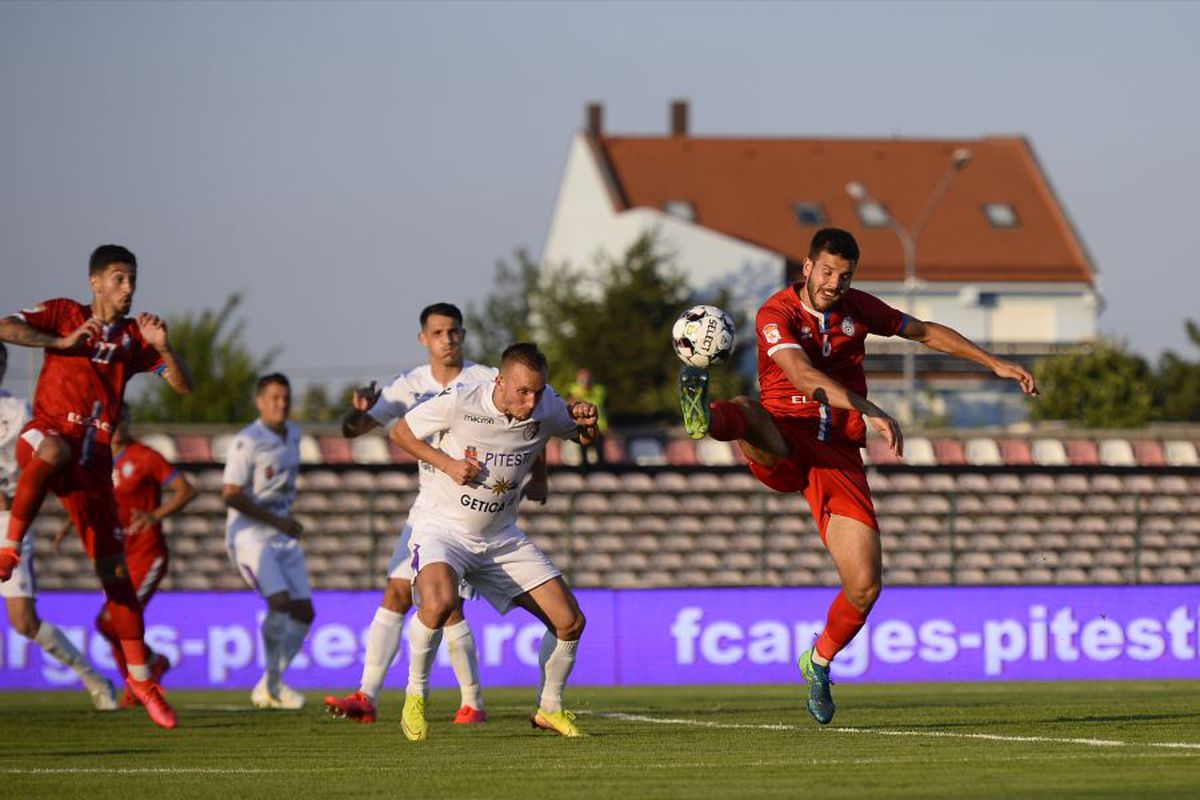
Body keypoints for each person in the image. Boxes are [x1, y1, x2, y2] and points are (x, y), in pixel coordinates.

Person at [679, 227, 1038, 725]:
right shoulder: (775, 314)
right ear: (807, 267)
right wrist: (869, 408)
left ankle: (819, 661)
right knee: (748, 411)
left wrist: (993, 363)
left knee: (865, 586)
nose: (834, 283)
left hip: (837, 455)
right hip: (787, 436)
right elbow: (802, 377)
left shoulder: (858, 309)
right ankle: (705, 417)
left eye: (844, 276)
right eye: (826, 271)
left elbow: (923, 331)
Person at [0, 244, 192, 729]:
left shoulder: (133, 338)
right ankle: (9, 547)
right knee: (52, 451)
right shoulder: (64, 313)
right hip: (43, 435)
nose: (129, 288)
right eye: (120, 278)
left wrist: (164, 348)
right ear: (96, 282)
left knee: (116, 575)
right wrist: (60, 342)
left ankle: (142, 680)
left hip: (92, 464)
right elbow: (5, 327)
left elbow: (183, 386)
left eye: (133, 280)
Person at [389, 342, 597, 740]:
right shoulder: (461, 401)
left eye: (538, 391)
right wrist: (448, 464)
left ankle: (549, 708)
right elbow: (401, 432)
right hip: (444, 531)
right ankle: (415, 695)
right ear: (500, 381)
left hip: (501, 538)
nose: (531, 402)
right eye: (523, 391)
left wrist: (590, 422)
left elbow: (583, 437)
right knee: (438, 603)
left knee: (570, 622)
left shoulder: (547, 406)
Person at [323, 302, 513, 725]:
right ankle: (367, 696)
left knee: (448, 606)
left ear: (463, 335)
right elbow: (353, 430)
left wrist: (538, 476)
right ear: (423, 339)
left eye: (454, 331)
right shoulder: (407, 386)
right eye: (439, 333)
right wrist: (360, 411)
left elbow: (526, 422)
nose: (448, 340)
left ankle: (472, 701)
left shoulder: (485, 380)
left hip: (467, 510)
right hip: (426, 508)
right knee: (396, 592)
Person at [0, 343, 118, 711]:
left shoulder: (17, 411)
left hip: (7, 521)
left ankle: (93, 678)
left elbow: (44, 459)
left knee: (23, 621)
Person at [55, 404, 197, 707]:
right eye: (113, 419)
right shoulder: (96, 460)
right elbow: (91, 497)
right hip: (116, 556)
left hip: (147, 553)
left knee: (117, 620)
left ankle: (140, 682)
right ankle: (148, 668)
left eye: (123, 419)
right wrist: (69, 523)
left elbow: (186, 489)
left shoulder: (145, 457)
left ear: (130, 422)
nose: (118, 425)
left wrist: (155, 515)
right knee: (108, 623)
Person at [222, 373, 312, 710]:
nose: (281, 403)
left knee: (304, 611)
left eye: (285, 397)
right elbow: (231, 494)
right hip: (249, 534)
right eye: (274, 397)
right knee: (280, 601)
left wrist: (282, 522)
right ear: (259, 401)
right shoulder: (248, 440)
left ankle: (269, 685)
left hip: (281, 532)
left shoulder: (294, 434)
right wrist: (278, 521)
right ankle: (272, 685)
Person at [567, 367, 608, 466]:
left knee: (600, 456)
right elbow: (569, 405)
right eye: (583, 379)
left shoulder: (600, 390)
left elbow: (606, 408)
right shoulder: (573, 389)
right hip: (581, 427)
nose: (585, 381)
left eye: (588, 379)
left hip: (600, 427)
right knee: (583, 456)